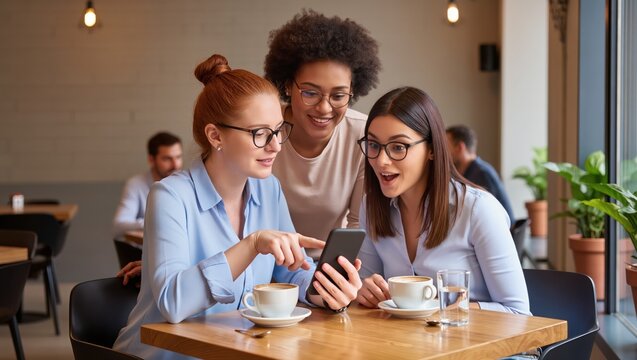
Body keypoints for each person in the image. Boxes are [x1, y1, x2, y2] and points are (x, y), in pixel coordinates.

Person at [113, 54, 362, 359]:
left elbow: (289, 274)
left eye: (278, 130)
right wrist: (253, 244)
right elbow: (173, 302)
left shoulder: (269, 189)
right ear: (215, 135)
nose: (274, 146)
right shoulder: (169, 196)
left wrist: (325, 290)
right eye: (259, 134)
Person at [355, 87, 529, 316]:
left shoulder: (478, 210)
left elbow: (519, 313)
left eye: (398, 147)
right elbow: (369, 293)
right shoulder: (371, 207)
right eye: (374, 145)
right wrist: (364, 291)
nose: (381, 161)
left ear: (432, 150)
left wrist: (457, 310)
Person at [265, 10, 381, 257]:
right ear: (287, 85)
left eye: (338, 96)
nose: (325, 108)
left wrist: (338, 278)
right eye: (310, 92)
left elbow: (357, 224)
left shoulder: (361, 134)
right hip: (266, 264)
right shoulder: (264, 132)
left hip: (329, 267)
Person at [112, 131, 183, 236]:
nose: (175, 165)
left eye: (178, 157)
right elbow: (119, 225)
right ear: (151, 159)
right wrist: (158, 224)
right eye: (167, 159)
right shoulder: (135, 184)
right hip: (147, 251)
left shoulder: (187, 184)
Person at [446, 125, 515, 223]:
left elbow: (491, 218)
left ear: (460, 147)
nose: (442, 152)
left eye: (445, 146)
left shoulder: (482, 174)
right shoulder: (470, 172)